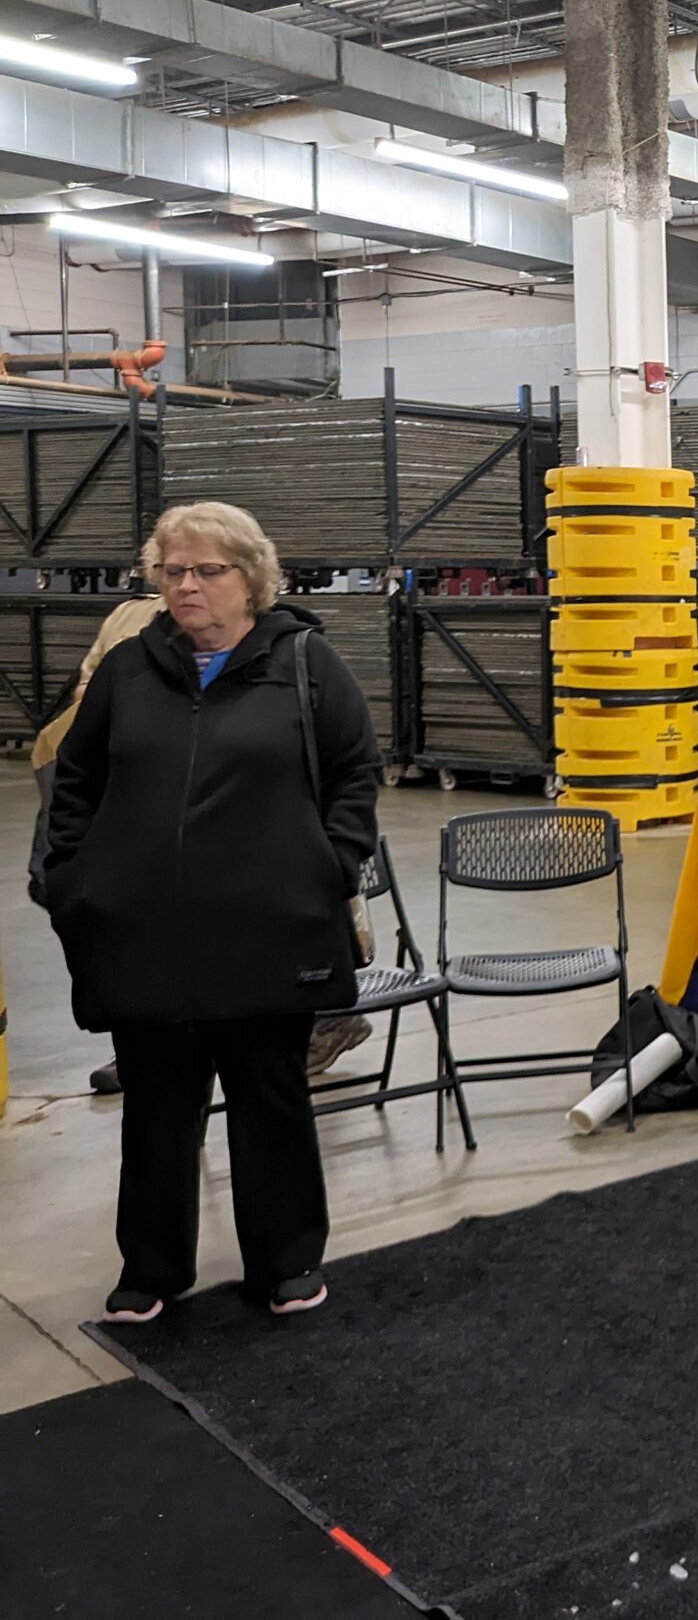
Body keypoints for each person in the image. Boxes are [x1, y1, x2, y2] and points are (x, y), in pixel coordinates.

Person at [42, 503, 380, 1323]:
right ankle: (151, 1270)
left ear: (251, 578)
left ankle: (288, 1262)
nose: (185, 586)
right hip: (144, 935)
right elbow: (73, 781)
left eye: (205, 571)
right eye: (172, 571)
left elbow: (354, 774)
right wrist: (74, 879)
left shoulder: (306, 663)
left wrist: (325, 865)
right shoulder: (127, 670)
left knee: (270, 1099)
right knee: (157, 1105)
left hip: (268, 931)